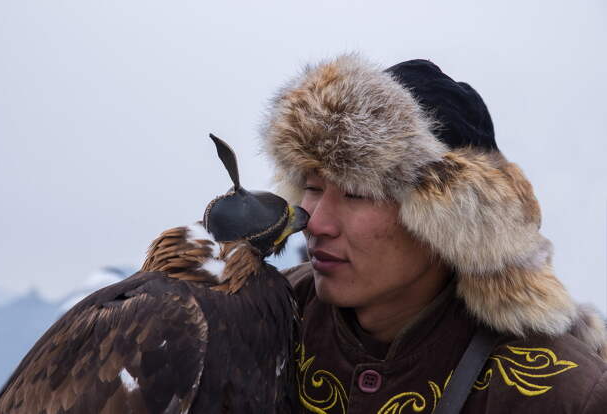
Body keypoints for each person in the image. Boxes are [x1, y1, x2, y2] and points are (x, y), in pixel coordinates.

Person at [259, 54, 607, 413]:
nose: (314, 223)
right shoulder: (260, 317)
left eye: (357, 193)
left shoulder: (561, 395)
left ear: (447, 221)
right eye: (311, 188)